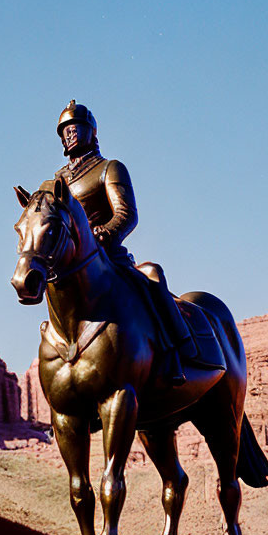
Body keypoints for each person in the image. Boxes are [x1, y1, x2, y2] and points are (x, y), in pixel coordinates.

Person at [52, 99, 195, 384]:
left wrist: (106, 232)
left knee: (151, 274)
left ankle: (176, 352)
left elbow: (126, 214)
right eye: (64, 130)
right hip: (70, 262)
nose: (69, 133)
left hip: (108, 257)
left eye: (75, 127)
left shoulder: (109, 168)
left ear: (91, 131)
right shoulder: (56, 181)